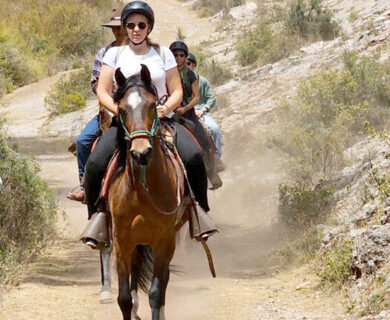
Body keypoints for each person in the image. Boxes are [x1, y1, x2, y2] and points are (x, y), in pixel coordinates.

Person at [81, 1, 217, 248]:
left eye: (141, 25)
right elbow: (102, 90)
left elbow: (175, 90)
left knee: (194, 156)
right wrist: (119, 111)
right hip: (125, 122)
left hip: (160, 121)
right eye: (130, 25)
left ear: (149, 27)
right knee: (95, 163)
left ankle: (199, 212)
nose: (135, 29)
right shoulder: (113, 54)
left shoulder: (163, 53)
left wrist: (166, 107)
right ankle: (98, 218)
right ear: (125, 27)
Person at [66, 8, 126, 202]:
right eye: (114, 28)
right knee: (83, 141)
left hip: (137, 109)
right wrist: (108, 99)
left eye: (120, 27)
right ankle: (85, 186)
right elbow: (95, 82)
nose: (117, 31)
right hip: (108, 109)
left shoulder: (140, 51)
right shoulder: (104, 52)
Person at [169, 40, 222, 187]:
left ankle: (212, 173)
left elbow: (196, 97)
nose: (178, 58)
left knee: (204, 138)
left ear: (185, 57)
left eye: (181, 55)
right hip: (170, 113)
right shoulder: (166, 74)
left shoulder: (191, 75)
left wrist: (184, 109)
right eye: (175, 55)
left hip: (187, 113)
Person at [186, 53, 223, 158]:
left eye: (188, 63)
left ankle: (216, 157)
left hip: (200, 113)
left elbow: (211, 98)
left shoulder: (202, 81)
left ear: (194, 65)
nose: (186, 66)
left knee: (214, 129)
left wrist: (203, 109)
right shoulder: (177, 82)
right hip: (185, 114)